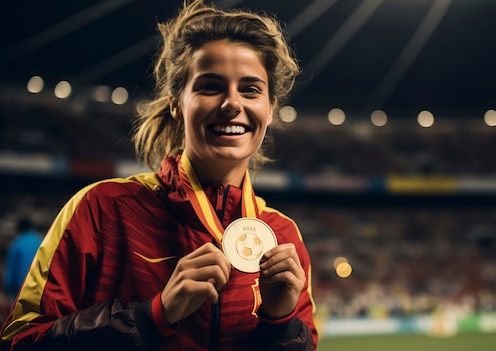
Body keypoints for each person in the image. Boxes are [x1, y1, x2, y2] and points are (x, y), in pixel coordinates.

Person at [0, 1, 317, 350]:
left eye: (251, 89)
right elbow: (21, 342)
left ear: (270, 109)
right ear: (176, 103)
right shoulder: (102, 210)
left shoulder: (283, 236)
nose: (231, 103)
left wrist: (281, 325)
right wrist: (151, 316)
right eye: (210, 86)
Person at [2, 217, 43, 303]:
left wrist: (7, 289)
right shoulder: (40, 240)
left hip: (21, 289)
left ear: (19, 229)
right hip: (39, 288)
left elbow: (11, 272)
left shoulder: (17, 244)